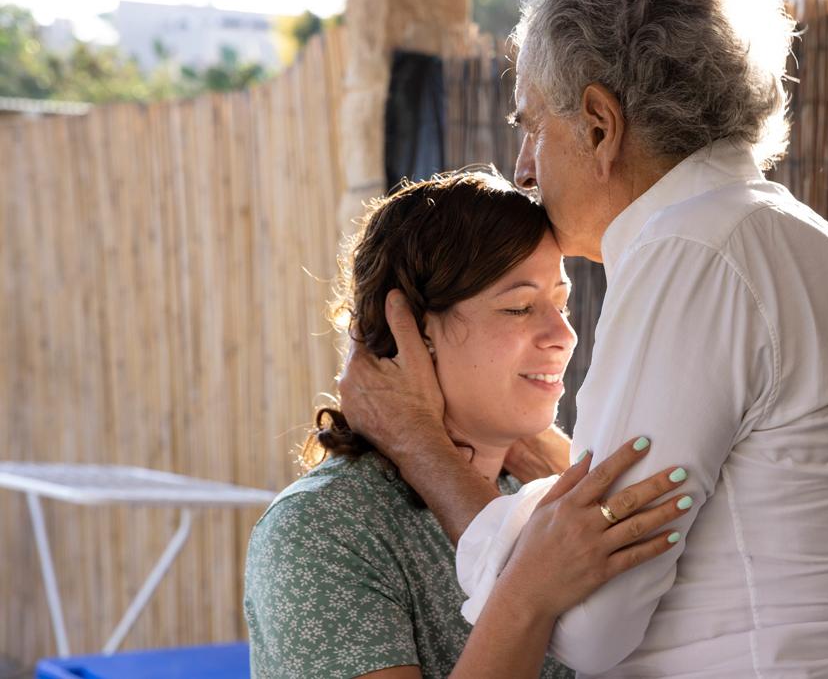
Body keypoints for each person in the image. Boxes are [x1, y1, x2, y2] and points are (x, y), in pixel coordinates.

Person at [337, 0, 828, 677]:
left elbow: (586, 625)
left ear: (601, 126)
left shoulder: (693, 255)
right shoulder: (816, 244)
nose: (522, 168)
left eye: (532, 126)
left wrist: (419, 444)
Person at [243, 170, 693, 679]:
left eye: (561, 303)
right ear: (411, 329)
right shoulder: (326, 528)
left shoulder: (529, 495)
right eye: (520, 307)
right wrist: (526, 593)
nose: (563, 335)